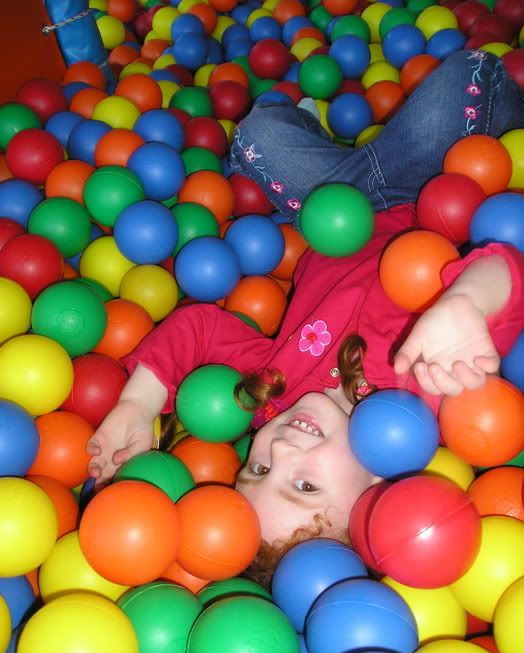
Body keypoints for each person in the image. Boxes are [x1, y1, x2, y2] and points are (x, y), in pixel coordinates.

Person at [87, 50, 524, 587]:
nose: (282, 450)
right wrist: (469, 302)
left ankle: (333, 134)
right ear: (375, 486)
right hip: (435, 189)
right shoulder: (423, 394)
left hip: (337, 201)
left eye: (258, 469)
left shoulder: (274, 388)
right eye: (305, 487)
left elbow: (196, 330)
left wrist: (137, 404)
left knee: (257, 134)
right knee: (464, 76)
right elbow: (509, 270)